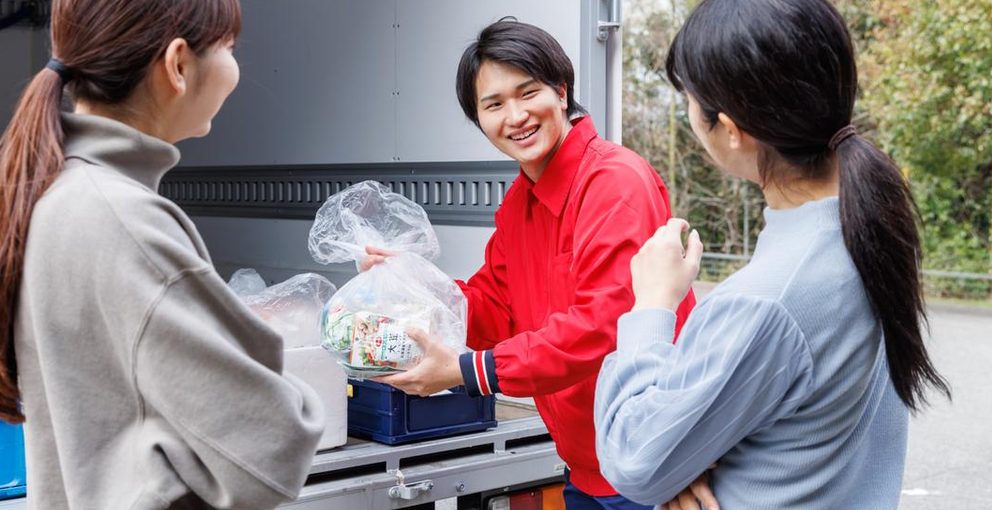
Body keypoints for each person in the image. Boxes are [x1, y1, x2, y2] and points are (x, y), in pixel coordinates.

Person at [592, 0, 952, 508]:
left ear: (732, 129)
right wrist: (688, 457)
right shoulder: (870, 229)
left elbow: (634, 458)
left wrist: (651, 306)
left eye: (691, 102)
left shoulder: (765, 302)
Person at [0, 1, 324, 508]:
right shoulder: (127, 220)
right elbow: (270, 444)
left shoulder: (62, 195)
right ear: (178, 65)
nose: (235, 68)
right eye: (228, 48)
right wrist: (269, 357)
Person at [364, 19, 696, 510]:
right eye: (494, 105)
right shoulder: (519, 205)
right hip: (587, 466)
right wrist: (414, 283)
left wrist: (466, 372)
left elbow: (604, 327)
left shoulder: (614, 181)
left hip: (658, 468)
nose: (515, 116)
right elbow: (491, 311)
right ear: (479, 120)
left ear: (562, 93)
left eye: (529, 92)